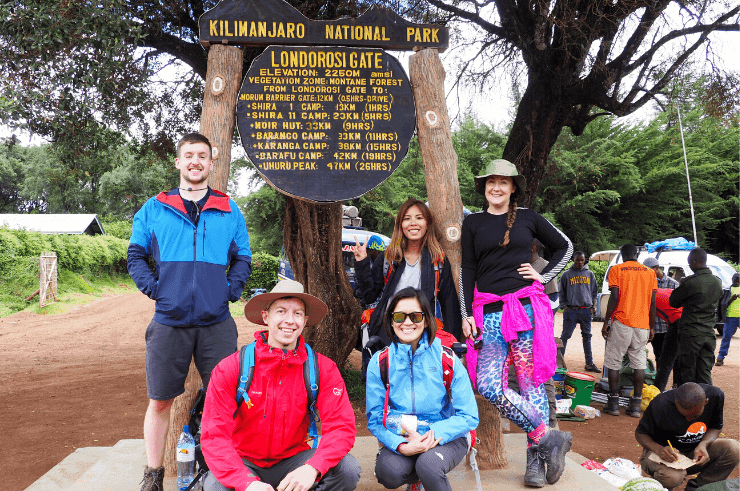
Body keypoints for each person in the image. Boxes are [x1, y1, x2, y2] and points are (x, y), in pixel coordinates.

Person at [127, 132, 252, 491]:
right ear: (178, 162)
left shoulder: (229, 208)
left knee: (225, 401)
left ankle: (219, 472)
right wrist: (157, 290)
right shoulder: (155, 207)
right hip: (169, 321)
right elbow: (135, 255)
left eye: (203, 156)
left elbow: (243, 256)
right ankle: (153, 475)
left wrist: (230, 290)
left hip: (217, 323)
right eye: (189, 155)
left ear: (212, 163)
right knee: (160, 400)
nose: (196, 161)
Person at [459, 159, 573, 487]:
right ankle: (547, 435)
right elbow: (467, 269)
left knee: (530, 384)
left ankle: (535, 463)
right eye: (491, 182)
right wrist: (466, 315)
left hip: (525, 311)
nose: (497, 187)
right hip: (488, 314)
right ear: (484, 187)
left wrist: (544, 275)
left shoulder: (528, 218)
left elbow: (565, 248)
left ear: (513, 188)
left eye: (504, 182)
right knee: (488, 384)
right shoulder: (474, 223)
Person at [200, 280, 361, 491]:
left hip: (293, 460)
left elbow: (341, 427)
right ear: (266, 316)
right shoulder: (231, 368)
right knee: (214, 486)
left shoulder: (322, 368)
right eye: (281, 311)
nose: (289, 320)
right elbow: (214, 435)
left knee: (347, 469)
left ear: (304, 321)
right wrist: (246, 483)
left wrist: (313, 467)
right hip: (244, 462)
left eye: (297, 314)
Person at [366, 287, 479, 491]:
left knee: (429, 465)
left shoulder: (447, 359)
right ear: (391, 321)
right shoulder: (381, 362)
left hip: (446, 435)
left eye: (415, 316)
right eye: (399, 316)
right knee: (388, 472)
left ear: (426, 320)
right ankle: (417, 477)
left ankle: (426, 473)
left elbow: (469, 416)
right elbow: (375, 419)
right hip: (403, 435)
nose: (407, 322)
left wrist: (433, 434)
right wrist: (401, 446)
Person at [353, 198, 462, 377]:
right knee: (388, 377)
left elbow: (449, 303)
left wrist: (454, 342)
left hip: (423, 327)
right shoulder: (390, 257)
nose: (413, 223)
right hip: (390, 327)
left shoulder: (438, 261)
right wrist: (362, 263)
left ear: (427, 223)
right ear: (400, 225)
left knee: (422, 378)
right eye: (406, 218)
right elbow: (369, 295)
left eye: (419, 218)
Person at [635, 382, 740, 491]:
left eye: (694, 416)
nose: (689, 420)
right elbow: (640, 433)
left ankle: (699, 488)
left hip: (694, 454)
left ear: (705, 402)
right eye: (684, 415)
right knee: (673, 477)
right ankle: (660, 486)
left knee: (734, 449)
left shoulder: (716, 396)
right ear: (676, 402)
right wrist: (658, 449)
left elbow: (716, 427)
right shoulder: (660, 404)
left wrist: (703, 444)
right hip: (664, 455)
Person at [600, 243, 656, 418]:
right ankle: (636, 406)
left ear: (622, 255)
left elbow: (614, 297)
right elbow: (653, 303)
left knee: (614, 361)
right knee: (639, 363)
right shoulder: (650, 272)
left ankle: (614, 404)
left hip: (622, 322)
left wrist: (606, 321)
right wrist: (652, 325)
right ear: (637, 254)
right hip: (642, 324)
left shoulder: (617, 270)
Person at [669, 248, 723, 385]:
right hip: (709, 333)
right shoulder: (717, 282)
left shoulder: (691, 282)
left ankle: (688, 404)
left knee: (687, 371)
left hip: (691, 334)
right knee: (704, 371)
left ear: (694, 262)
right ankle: (707, 403)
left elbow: (673, 302)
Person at [558, 251, 599, 373]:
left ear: (584, 260)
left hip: (586, 311)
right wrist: (564, 306)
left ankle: (589, 363)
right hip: (571, 310)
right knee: (565, 337)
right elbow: (561, 292)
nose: (580, 262)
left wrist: (593, 307)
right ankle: (558, 364)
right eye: (577, 260)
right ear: (573, 260)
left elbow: (594, 293)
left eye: (582, 260)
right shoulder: (566, 275)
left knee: (587, 337)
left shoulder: (590, 274)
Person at [643, 257, 679, 361]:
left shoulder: (673, 284)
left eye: (648, 271)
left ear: (657, 268)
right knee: (658, 355)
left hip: (669, 327)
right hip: (655, 328)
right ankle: (661, 376)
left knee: (673, 356)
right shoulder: (646, 284)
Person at [653, 288, 684, 392]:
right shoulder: (664, 290)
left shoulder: (648, 297)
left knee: (665, 361)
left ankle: (657, 392)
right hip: (690, 320)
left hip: (677, 322)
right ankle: (680, 388)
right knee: (682, 358)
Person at [716, 272, 739, 367]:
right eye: (735, 280)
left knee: (726, 337)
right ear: (732, 280)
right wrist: (731, 299)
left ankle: (721, 357)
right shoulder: (727, 291)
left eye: (738, 281)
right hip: (730, 318)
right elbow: (722, 305)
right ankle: (720, 358)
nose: (737, 282)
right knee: (726, 337)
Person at [531, 239, 560, 313]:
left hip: (541, 317)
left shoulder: (546, 267)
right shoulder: (524, 266)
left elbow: (553, 300)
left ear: (532, 248)